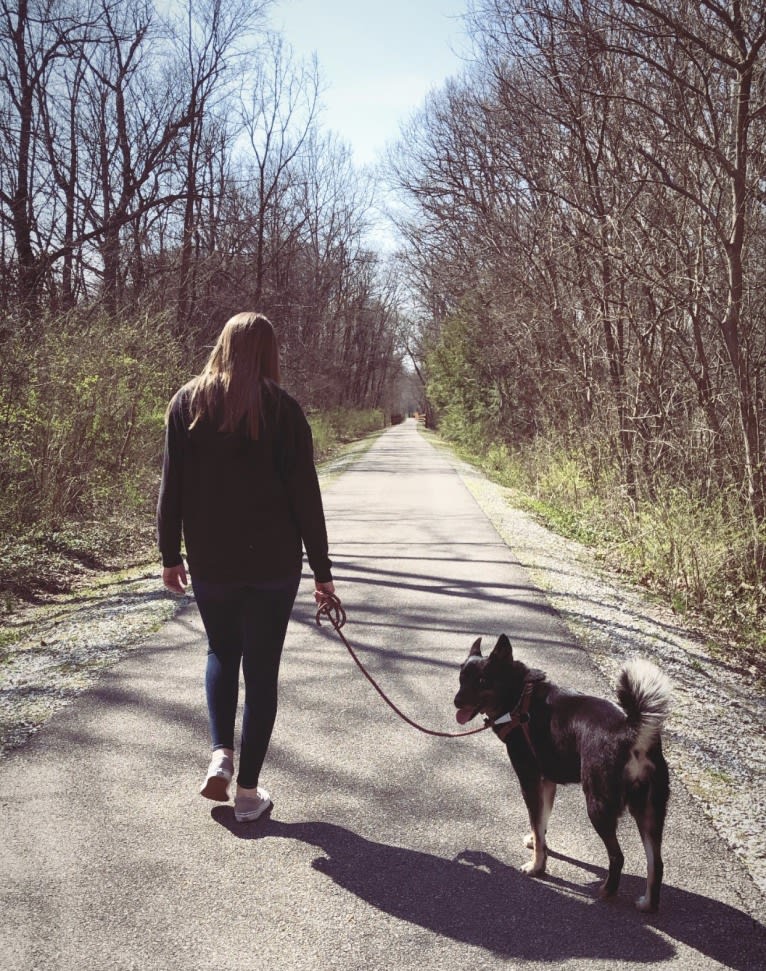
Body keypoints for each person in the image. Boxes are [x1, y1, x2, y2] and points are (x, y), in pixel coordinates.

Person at [157, 312, 335, 822]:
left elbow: (172, 488)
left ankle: (221, 755)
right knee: (261, 673)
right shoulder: (283, 409)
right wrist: (322, 572)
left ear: (223, 344)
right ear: (269, 353)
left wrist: (170, 555)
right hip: (275, 564)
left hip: (213, 560)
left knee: (221, 649)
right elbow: (307, 496)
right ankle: (249, 794)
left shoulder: (187, 402)